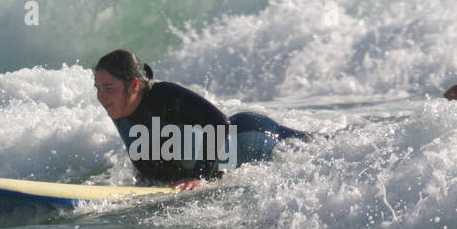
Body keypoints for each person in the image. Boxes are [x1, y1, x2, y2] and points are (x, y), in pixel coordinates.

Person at [93, 49, 312, 190]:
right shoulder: (120, 108)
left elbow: (219, 124)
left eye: (108, 88)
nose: (101, 97)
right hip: (232, 149)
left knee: (317, 146)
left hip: (252, 134)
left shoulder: (163, 95)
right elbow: (149, 154)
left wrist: (199, 177)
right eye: (98, 89)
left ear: (134, 85)